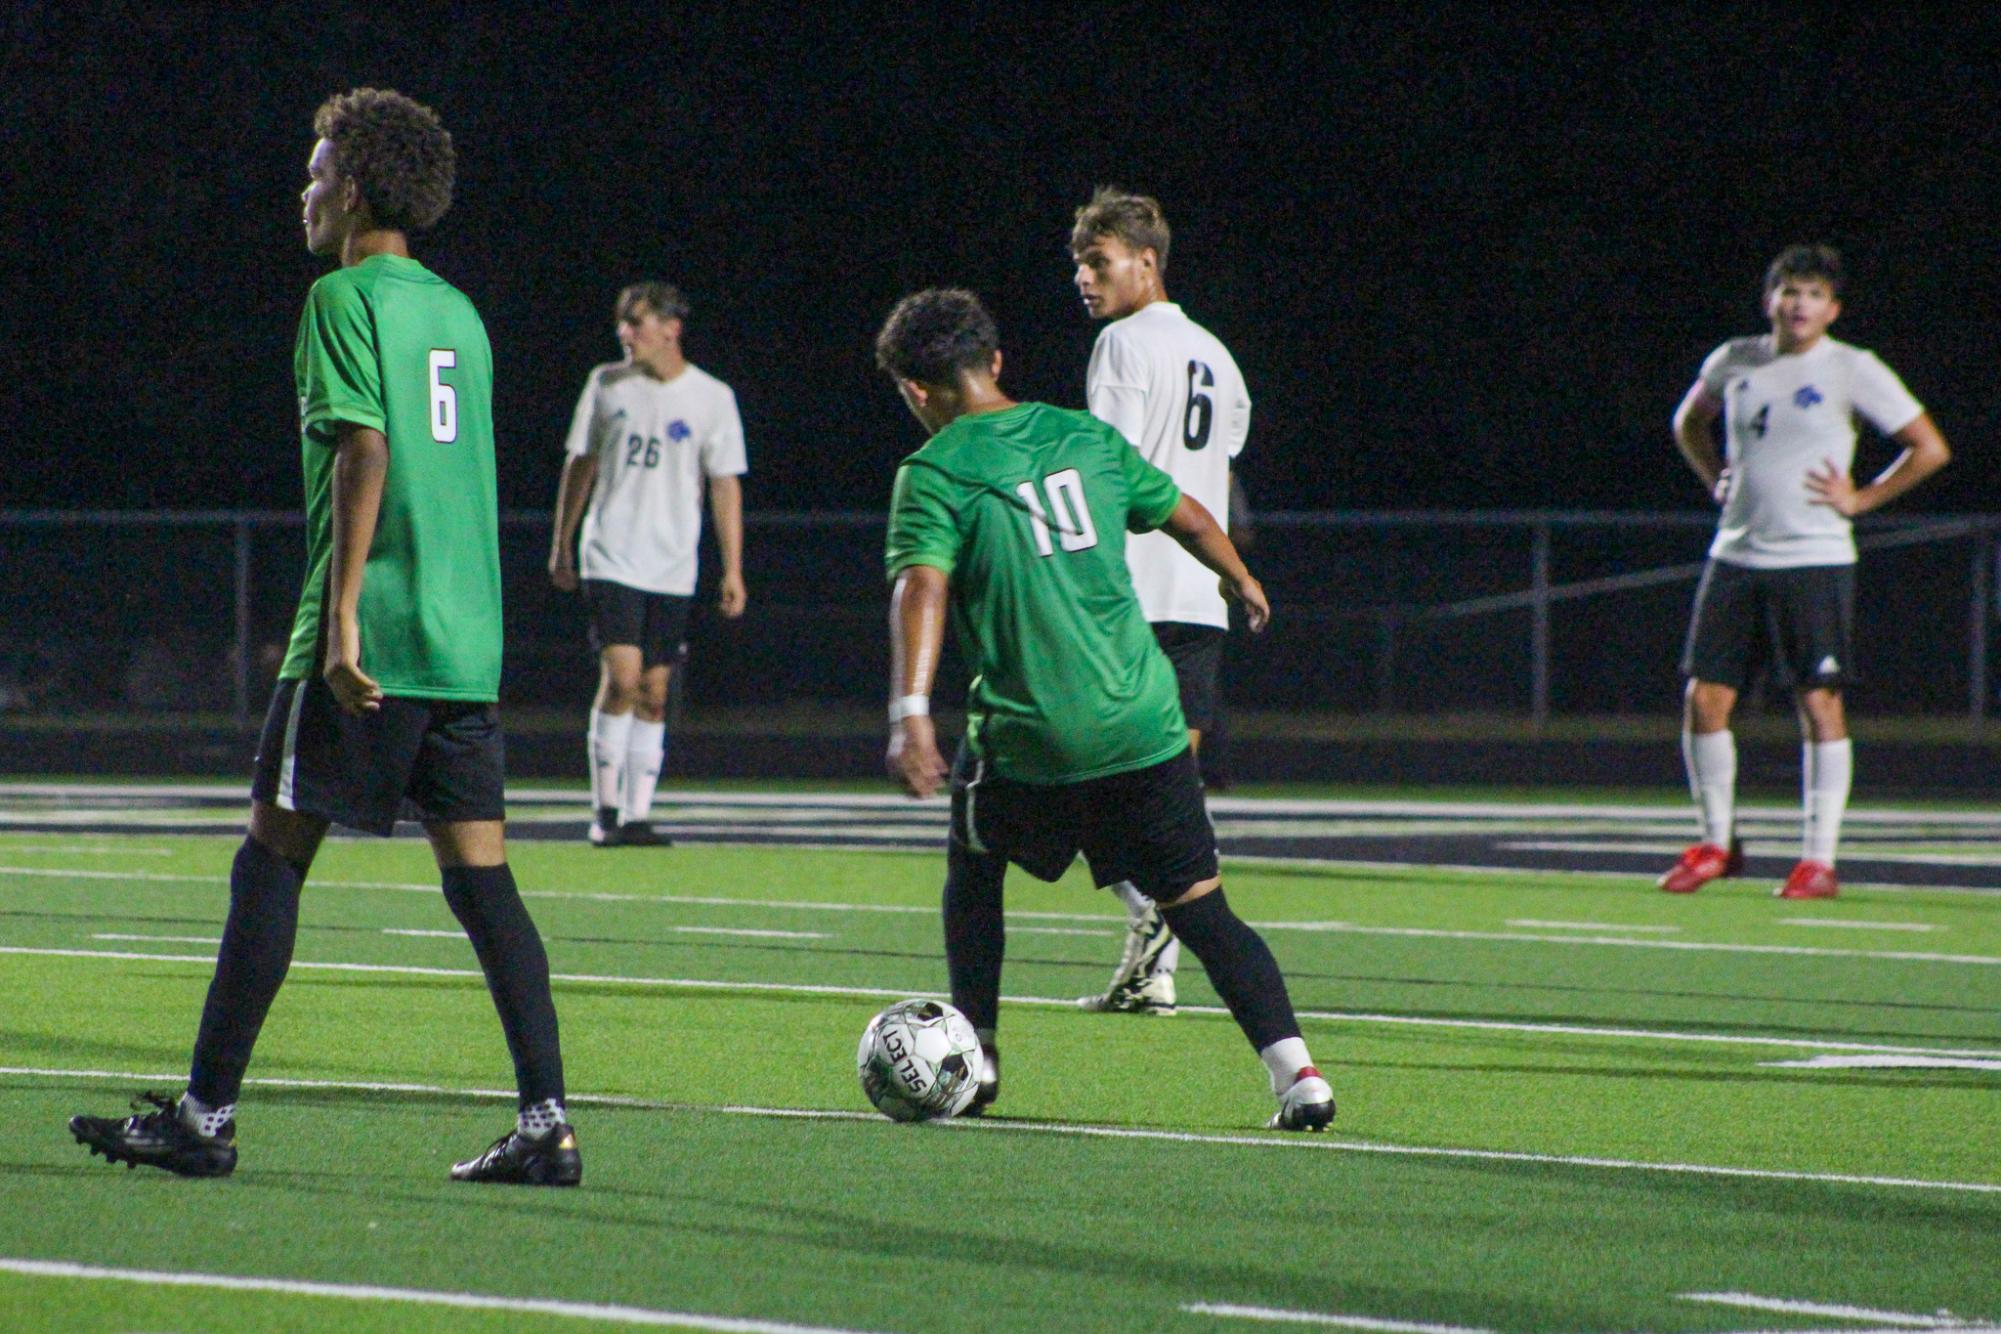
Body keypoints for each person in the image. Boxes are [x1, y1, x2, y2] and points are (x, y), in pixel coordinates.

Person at [68, 88, 579, 1185]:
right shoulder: (460, 312)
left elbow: (363, 448)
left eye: (314, 173)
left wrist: (341, 617)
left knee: (268, 862)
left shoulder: (340, 297)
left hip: (372, 636)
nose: (301, 191)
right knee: (484, 884)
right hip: (465, 639)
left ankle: (204, 1115)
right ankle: (548, 1122)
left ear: (352, 189)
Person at [876, 287, 1334, 1131]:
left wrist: (910, 710)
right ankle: (1297, 1073)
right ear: (996, 362)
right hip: (1144, 725)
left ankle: (976, 1059)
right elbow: (1186, 514)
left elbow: (921, 584)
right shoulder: (1084, 437)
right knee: (1200, 906)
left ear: (914, 388)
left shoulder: (933, 471)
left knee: (973, 874)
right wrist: (1242, 578)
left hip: (1033, 737)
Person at [1662, 245, 1950, 900]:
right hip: (1734, 553)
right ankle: (1714, 843)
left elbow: (1928, 447)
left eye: (1814, 295)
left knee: (1818, 703)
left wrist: (1862, 499)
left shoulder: (1853, 369)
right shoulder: (1733, 360)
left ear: (1832, 309)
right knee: (1703, 699)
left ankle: (1817, 861)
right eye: (1790, 292)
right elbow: (1688, 422)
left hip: (1813, 558)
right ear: (1769, 300)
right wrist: (1715, 478)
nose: (1799, 305)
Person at [1067, 187, 1253, 1016]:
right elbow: (1229, 444)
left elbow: (1103, 464)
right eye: (1078, 262)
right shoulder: (1218, 352)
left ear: (1147, 263)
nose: (1083, 276)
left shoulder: (1120, 344)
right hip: (1198, 601)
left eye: (1098, 261)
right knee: (1169, 789)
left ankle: (1149, 918)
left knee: (1085, 778)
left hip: (1129, 594)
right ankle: (1160, 969)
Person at [548, 282, 748, 847]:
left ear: (671, 328)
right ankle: (604, 811)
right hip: (611, 552)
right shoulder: (606, 384)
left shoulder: (712, 397)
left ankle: (636, 814)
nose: (625, 333)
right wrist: (562, 542)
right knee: (623, 677)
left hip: (673, 563)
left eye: (636, 322)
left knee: (656, 692)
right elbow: (580, 463)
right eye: (622, 323)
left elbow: (724, 484)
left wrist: (732, 568)